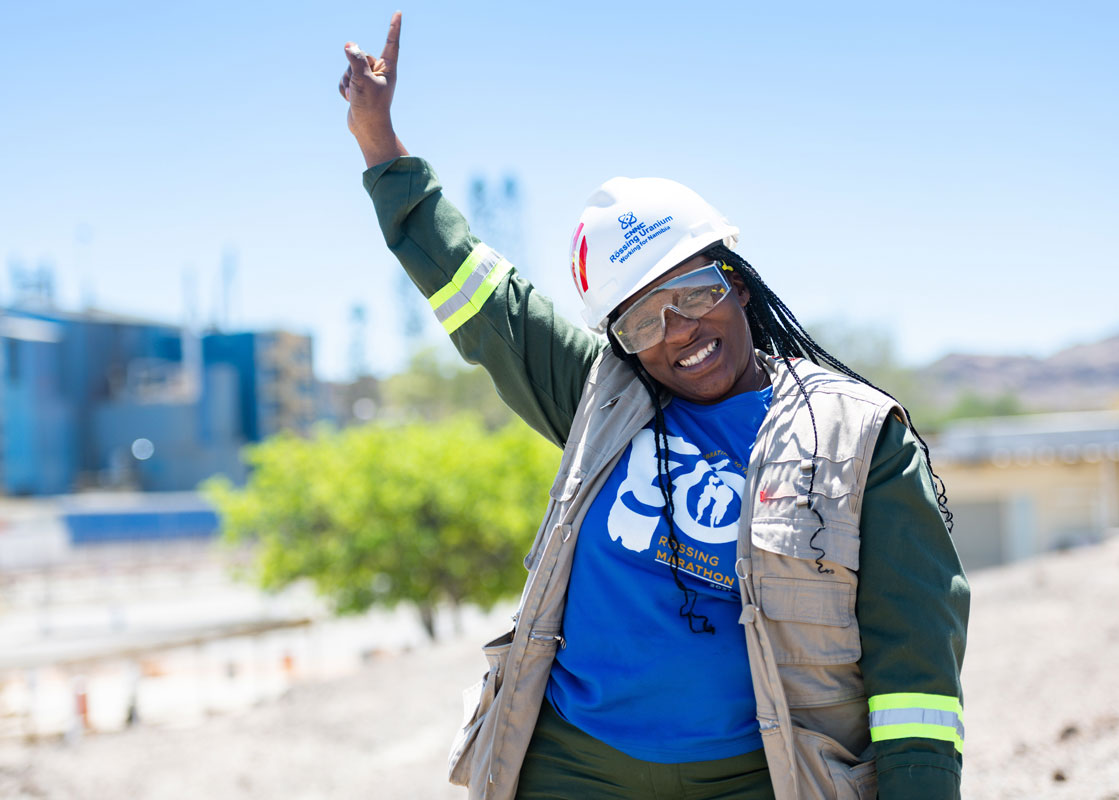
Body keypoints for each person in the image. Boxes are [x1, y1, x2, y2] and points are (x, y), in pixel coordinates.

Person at [340, 13, 968, 800]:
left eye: (694, 294)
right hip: (569, 765)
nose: (679, 333)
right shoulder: (604, 398)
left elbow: (917, 670)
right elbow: (480, 296)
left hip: (758, 776)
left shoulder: (859, 440)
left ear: (737, 282)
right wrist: (380, 143)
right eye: (642, 320)